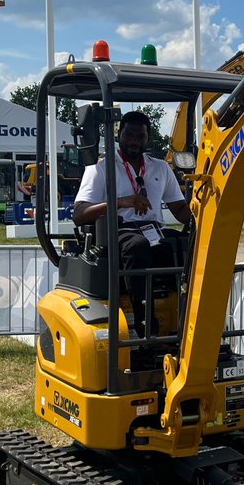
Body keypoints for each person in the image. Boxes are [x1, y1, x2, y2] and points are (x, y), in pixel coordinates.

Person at [73, 111, 191, 338]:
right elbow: (79, 214)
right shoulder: (101, 168)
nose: (134, 140)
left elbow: (180, 210)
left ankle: (186, 317)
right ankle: (145, 322)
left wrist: (206, 214)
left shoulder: (160, 168)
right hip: (117, 232)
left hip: (153, 231)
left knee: (184, 244)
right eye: (129, 134)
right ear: (119, 135)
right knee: (137, 246)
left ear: (148, 138)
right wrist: (121, 202)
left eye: (140, 135)